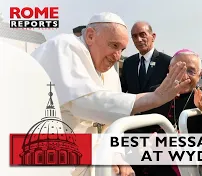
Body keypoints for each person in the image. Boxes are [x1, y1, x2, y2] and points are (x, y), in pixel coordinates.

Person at [31, 12, 190, 176]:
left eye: (122, 49)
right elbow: (87, 103)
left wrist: (117, 155)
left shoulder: (107, 68)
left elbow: (112, 122)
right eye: (114, 46)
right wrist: (154, 98)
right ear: (91, 36)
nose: (117, 56)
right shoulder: (63, 46)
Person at [121, 21, 171, 94]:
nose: (139, 39)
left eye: (142, 35)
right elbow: (122, 90)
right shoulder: (128, 63)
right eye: (135, 36)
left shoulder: (167, 62)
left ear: (153, 37)